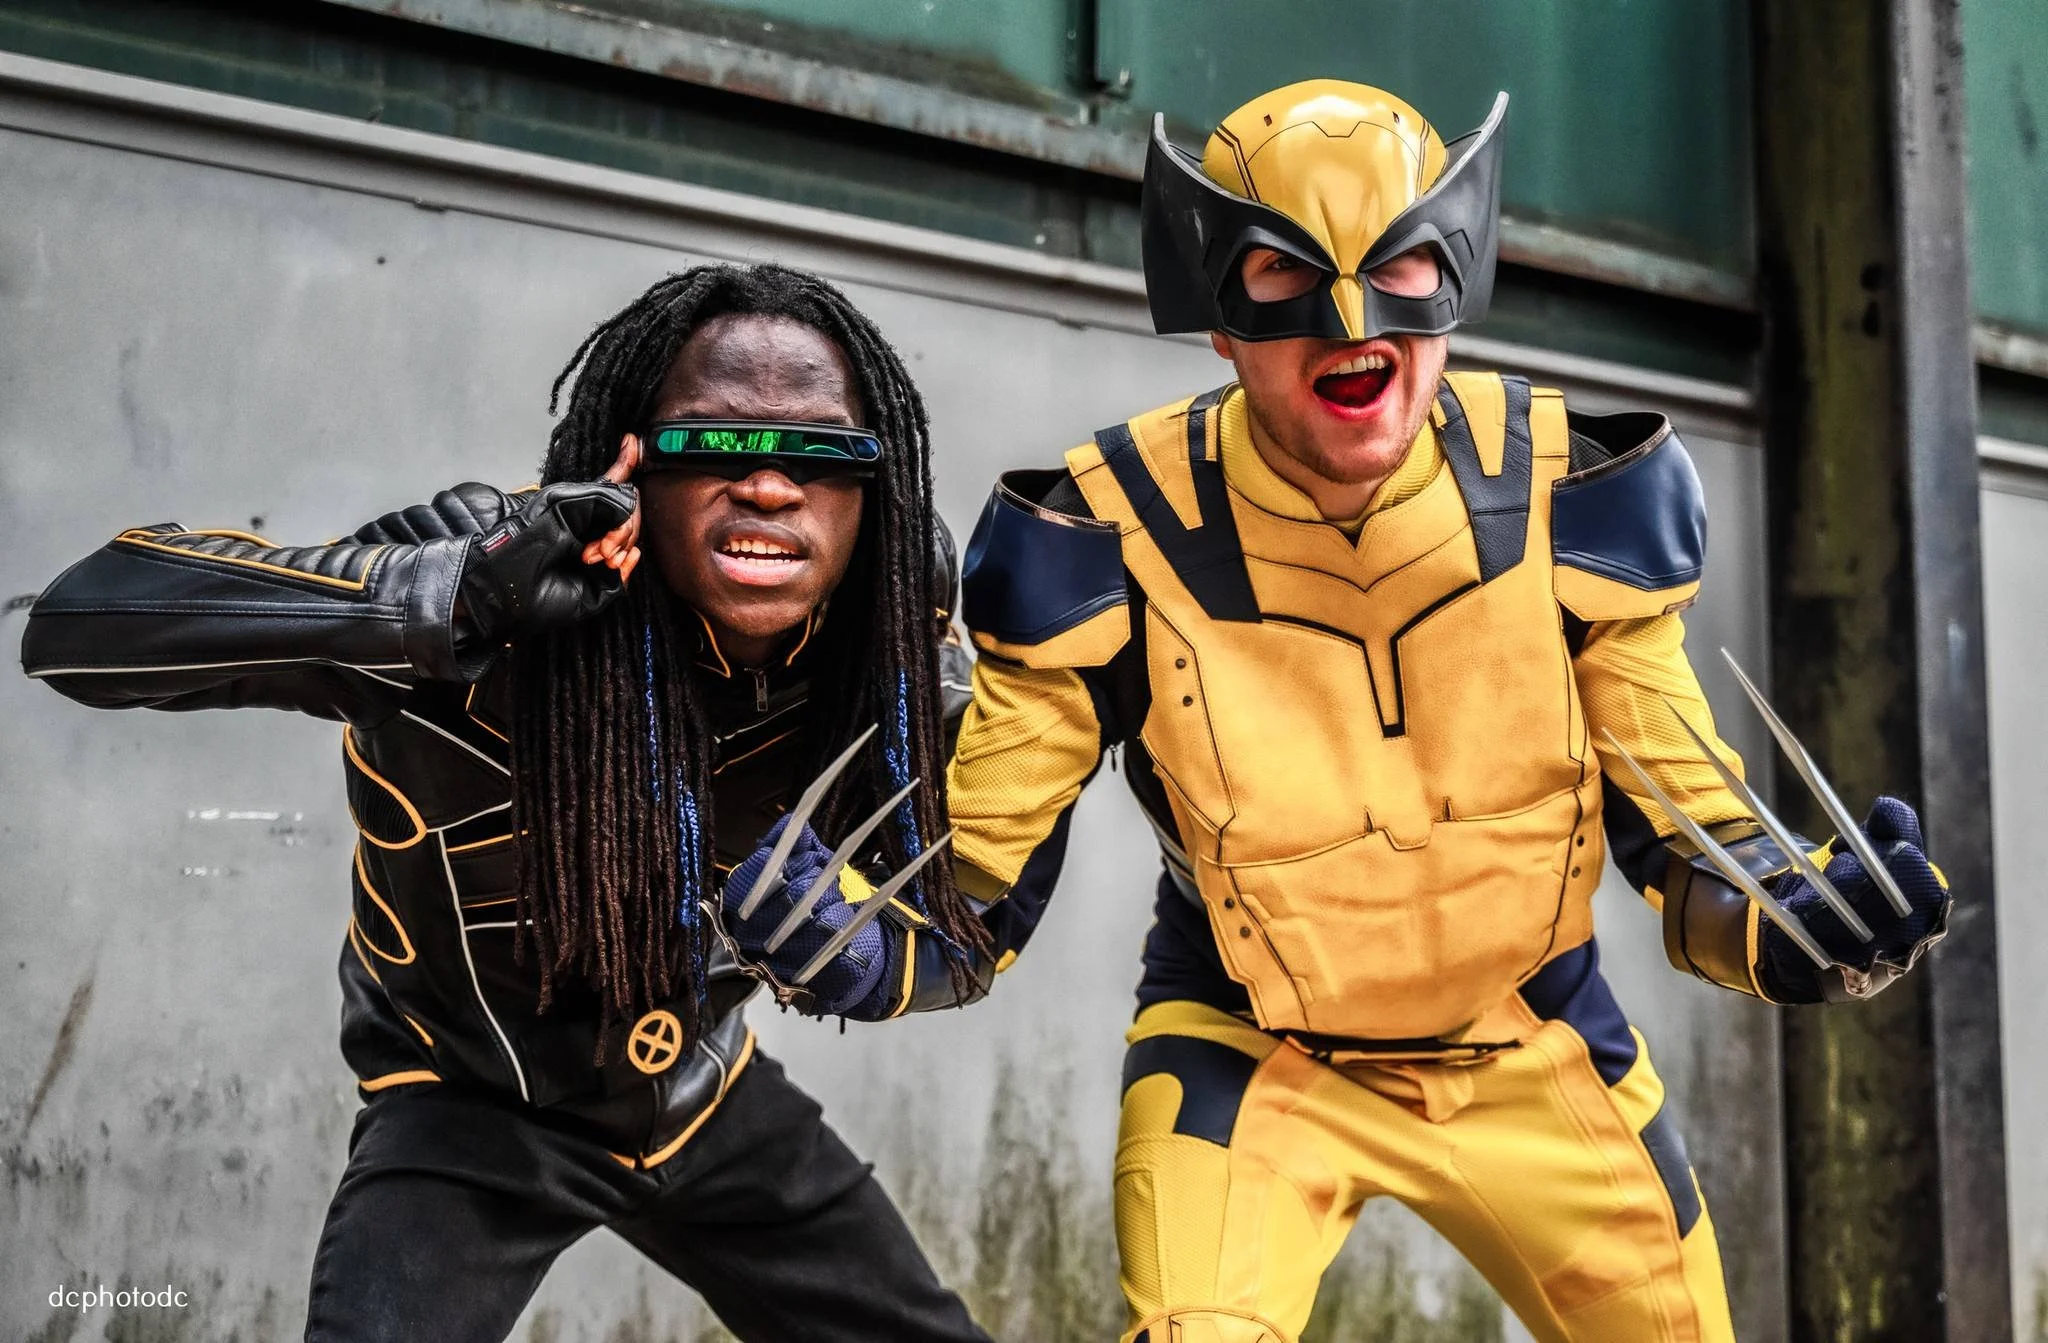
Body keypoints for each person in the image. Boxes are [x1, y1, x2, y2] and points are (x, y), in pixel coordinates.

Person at [929, 81, 1956, 1343]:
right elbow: (971, 883)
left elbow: (1687, 827)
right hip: (1251, 1055)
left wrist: (1799, 921)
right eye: (1282, 271)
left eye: (1396, 262)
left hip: (1535, 1038)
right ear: (1216, 315)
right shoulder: (1105, 529)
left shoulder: (1573, 493)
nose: (1350, 319)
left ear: (1453, 272)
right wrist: (862, 942)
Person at [20, 263, 1001, 1343]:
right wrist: (439, 597)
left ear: (875, 494)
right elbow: (80, 623)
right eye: (710, 444)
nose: (768, 485)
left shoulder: (890, 655)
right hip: (470, 1110)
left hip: (706, 1091)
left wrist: (882, 965)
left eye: (822, 454)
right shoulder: (483, 600)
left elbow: (985, 911)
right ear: (628, 466)